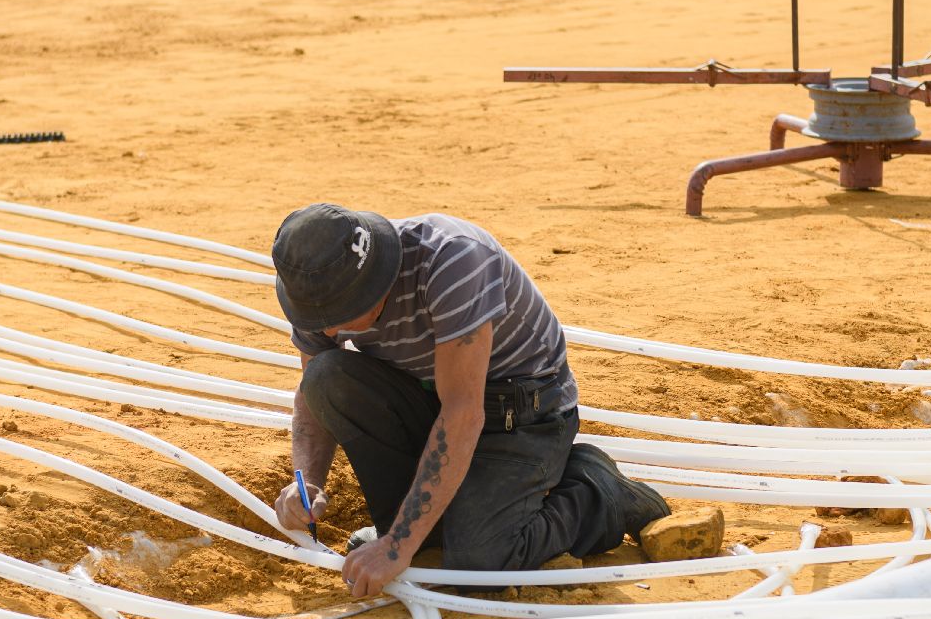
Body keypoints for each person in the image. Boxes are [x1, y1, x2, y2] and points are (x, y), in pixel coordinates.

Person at [270, 203, 670, 598]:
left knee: (477, 565)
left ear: (376, 282)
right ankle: (433, 526)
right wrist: (307, 482)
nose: (328, 327)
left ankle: (598, 490)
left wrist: (396, 547)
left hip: (522, 411)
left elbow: (462, 411)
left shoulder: (452, 261)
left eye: (341, 314)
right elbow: (313, 388)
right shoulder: (311, 286)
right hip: (431, 398)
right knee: (327, 376)